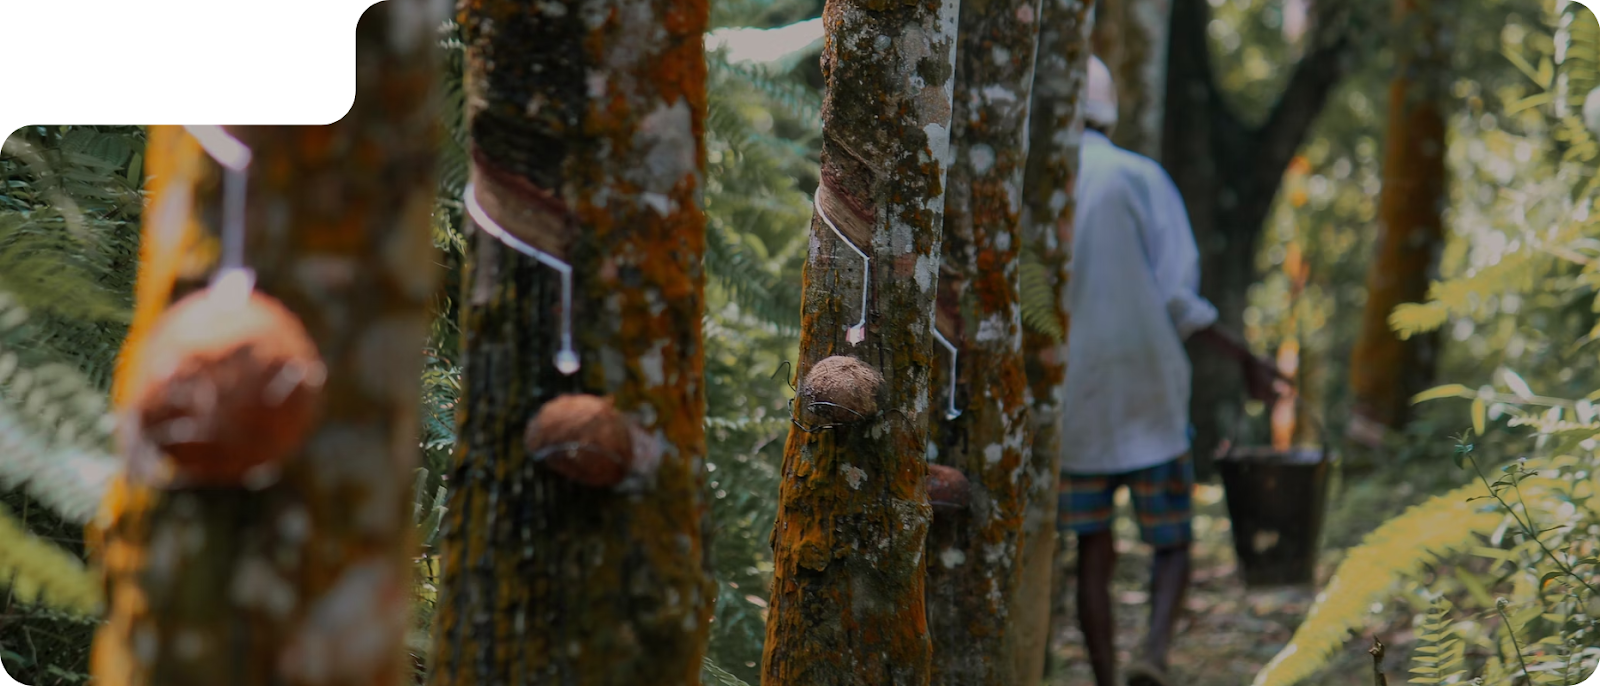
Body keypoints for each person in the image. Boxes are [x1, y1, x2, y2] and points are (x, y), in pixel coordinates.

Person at [1058, 55, 1283, 686]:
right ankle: (1153, 653)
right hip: (1150, 386)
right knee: (1172, 540)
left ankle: (1105, 678)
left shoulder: (1035, 186)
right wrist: (1246, 360)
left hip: (1073, 394)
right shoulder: (1140, 177)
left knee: (1091, 547)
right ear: (1109, 109)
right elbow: (1181, 303)